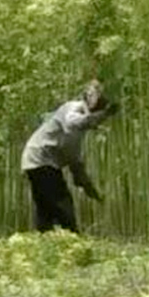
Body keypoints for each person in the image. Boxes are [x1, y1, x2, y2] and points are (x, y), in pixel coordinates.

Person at [20, 80, 119, 233]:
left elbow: (76, 167)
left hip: (37, 160)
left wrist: (92, 190)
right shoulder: (72, 108)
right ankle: (72, 237)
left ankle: (45, 241)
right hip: (40, 158)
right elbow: (74, 122)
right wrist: (104, 114)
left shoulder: (76, 138)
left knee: (46, 206)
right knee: (62, 203)